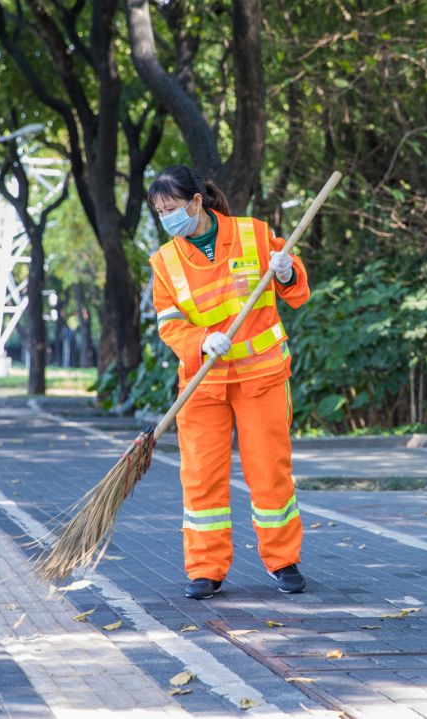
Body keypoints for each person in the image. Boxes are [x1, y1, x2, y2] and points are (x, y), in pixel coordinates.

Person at [147, 165, 310, 600]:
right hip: (202, 382)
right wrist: (201, 340)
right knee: (200, 478)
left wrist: (285, 272)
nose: (168, 219)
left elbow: (297, 293)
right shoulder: (165, 262)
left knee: (269, 471)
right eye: (160, 213)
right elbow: (168, 323)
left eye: (173, 209)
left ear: (196, 202)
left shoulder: (254, 235)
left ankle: (284, 562)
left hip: (261, 376)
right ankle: (206, 570)